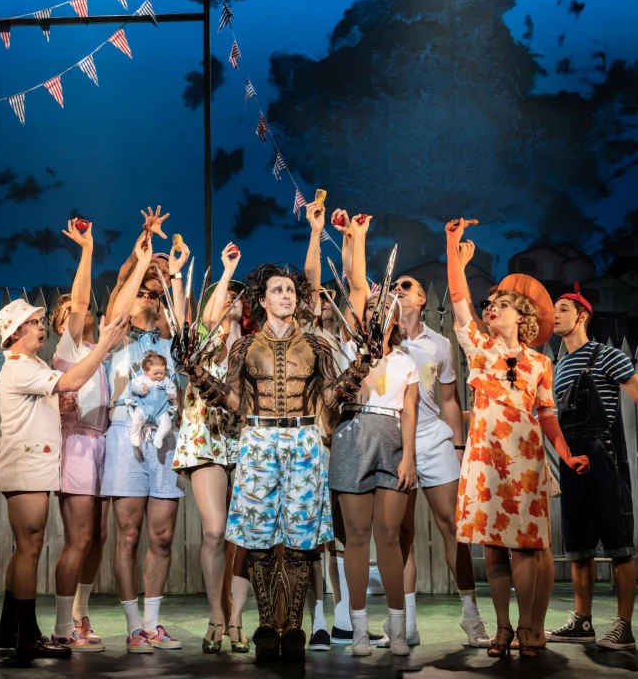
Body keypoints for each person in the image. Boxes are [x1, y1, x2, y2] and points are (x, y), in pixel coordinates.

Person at [187, 258, 372, 663]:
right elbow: (235, 402)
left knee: (301, 540)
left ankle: (294, 627)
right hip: (257, 438)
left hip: (305, 438)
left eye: (290, 289)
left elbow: (326, 398)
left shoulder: (318, 344)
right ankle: (267, 624)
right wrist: (201, 378)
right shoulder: (245, 346)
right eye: (277, 290)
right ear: (263, 300)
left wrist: (358, 369)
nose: (286, 295)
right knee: (259, 540)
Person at [445, 217, 591, 658]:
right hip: (486, 457)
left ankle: (530, 626)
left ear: (522, 316)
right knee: (492, 548)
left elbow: (547, 415)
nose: (491, 307)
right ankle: (504, 627)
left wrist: (564, 455)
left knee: (526, 547)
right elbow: (458, 297)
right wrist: (451, 243)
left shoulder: (539, 363)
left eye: (501, 304)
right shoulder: (478, 345)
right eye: (490, 303)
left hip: (525, 458)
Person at [545, 283, 638, 650]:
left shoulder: (607, 356)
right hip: (571, 461)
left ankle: (623, 626)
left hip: (603, 457)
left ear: (581, 316)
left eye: (561, 308)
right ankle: (582, 622)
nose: (555, 314)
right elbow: (550, 421)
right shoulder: (556, 366)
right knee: (579, 548)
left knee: (619, 545)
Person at [0, 297, 128, 659]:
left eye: (38, 321)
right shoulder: (20, 366)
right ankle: (28, 636)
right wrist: (103, 345)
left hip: (30, 464)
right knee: (29, 548)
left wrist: (58, 405)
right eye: (33, 323)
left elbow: (42, 401)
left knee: (27, 547)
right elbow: (74, 378)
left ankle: (9, 629)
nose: (40, 327)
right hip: (25, 465)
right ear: (14, 332)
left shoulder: (29, 364)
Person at [326, 213, 420, 656]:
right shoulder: (350, 348)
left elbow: (411, 415)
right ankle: (359, 629)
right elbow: (359, 285)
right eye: (374, 313)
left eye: (389, 315)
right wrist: (357, 238)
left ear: (396, 322)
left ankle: (398, 629)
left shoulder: (406, 362)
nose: (380, 318)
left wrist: (408, 458)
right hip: (351, 437)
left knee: (390, 536)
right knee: (357, 537)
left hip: (392, 444)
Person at [387, 271, 491, 648]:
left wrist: (459, 448)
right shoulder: (382, 341)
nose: (399, 290)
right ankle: (406, 625)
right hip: (393, 438)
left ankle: (472, 616)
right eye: (395, 286)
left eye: (407, 286)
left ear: (421, 301)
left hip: (433, 437)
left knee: (452, 525)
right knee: (401, 534)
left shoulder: (441, 345)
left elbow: (450, 400)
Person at [102, 227, 189, 653]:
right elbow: (122, 299)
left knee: (162, 535)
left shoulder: (170, 340)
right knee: (129, 533)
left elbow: (183, 319)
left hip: (166, 439)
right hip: (127, 433)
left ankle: (154, 623)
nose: (149, 300)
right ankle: (133, 625)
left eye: (156, 296)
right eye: (145, 293)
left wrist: (171, 275)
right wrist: (140, 264)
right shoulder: (115, 333)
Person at [172, 242, 254, 654]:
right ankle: (216, 613)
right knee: (214, 530)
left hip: (245, 442)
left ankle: (236, 617)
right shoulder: (201, 340)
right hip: (205, 437)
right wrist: (226, 270)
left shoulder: (254, 346)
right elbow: (209, 317)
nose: (234, 300)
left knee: (242, 534)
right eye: (228, 295)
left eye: (240, 295)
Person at [47, 219, 111, 651]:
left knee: (99, 537)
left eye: (83, 310)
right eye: (73, 312)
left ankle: (80, 614)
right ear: (63, 324)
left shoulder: (96, 351)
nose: (84, 312)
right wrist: (87, 250)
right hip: (77, 445)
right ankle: (62, 627)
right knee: (79, 538)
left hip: (103, 443)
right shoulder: (67, 350)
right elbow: (83, 296)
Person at [128, 352, 177, 449]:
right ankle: (135, 435)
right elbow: (134, 385)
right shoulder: (142, 379)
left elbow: (171, 386)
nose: (159, 376)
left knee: (167, 424)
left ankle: (159, 437)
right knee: (137, 419)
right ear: (146, 372)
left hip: (161, 411)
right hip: (144, 408)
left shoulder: (165, 381)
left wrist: (172, 394)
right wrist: (141, 389)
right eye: (155, 373)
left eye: (161, 373)